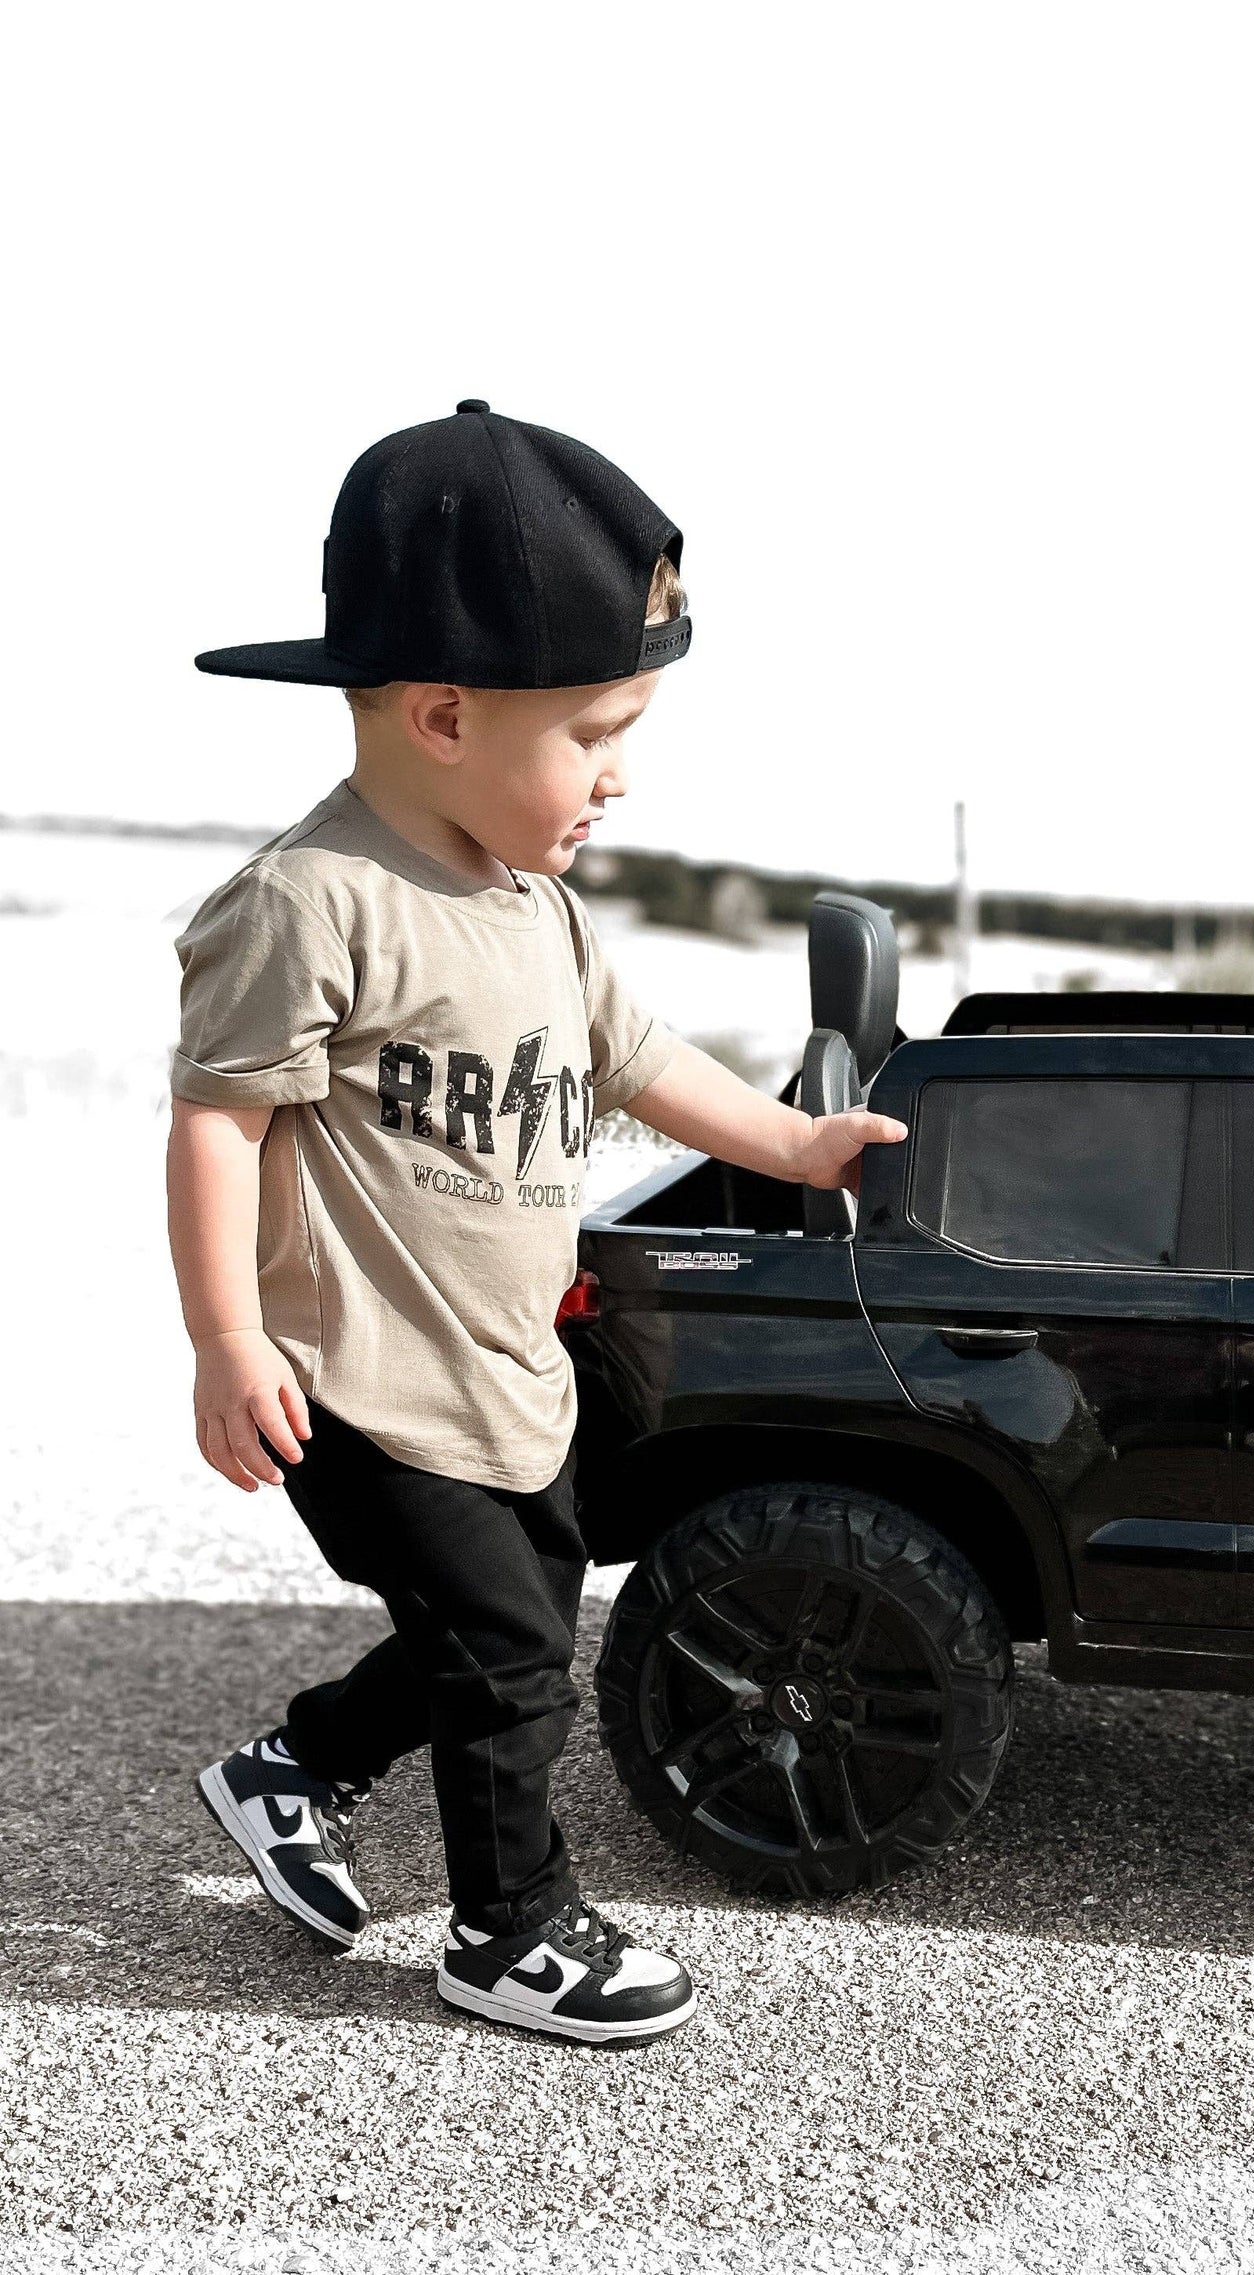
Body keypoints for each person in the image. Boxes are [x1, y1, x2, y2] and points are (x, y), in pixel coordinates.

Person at [167, 402, 905, 2043]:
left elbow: (636, 1059)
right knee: (506, 1653)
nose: (620, 776)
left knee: (505, 1620)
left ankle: (293, 1767)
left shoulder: (532, 903)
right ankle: (508, 1933)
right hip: (359, 1382)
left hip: (509, 1376)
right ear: (442, 715)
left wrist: (800, 1146)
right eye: (595, 734)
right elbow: (219, 1118)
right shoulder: (311, 903)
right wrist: (227, 1340)